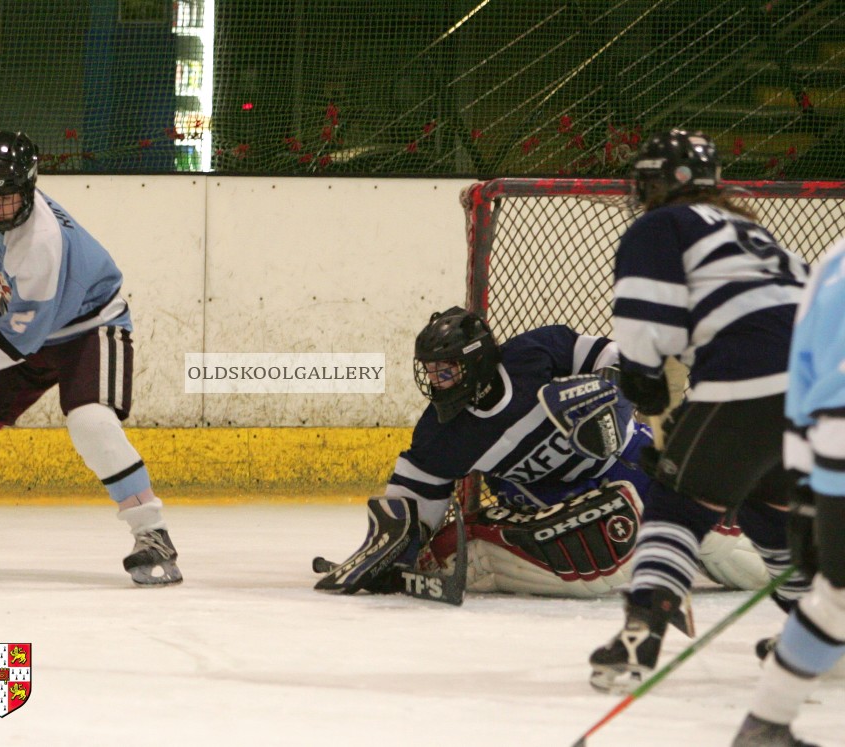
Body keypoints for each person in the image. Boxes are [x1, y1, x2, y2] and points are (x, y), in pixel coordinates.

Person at [0, 129, 182, 587]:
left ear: (29, 188)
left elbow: (21, 337)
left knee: (91, 422)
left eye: (7, 199)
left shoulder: (40, 243)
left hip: (90, 327)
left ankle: (152, 535)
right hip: (24, 326)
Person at [316, 306, 767, 599]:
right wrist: (393, 552)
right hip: (558, 509)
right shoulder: (440, 434)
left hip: (642, 469)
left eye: (446, 371)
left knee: (741, 561)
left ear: (474, 362)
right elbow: (413, 503)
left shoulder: (535, 352)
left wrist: (607, 393)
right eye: (431, 372)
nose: (437, 382)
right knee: (459, 555)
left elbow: (617, 357)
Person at [588, 129, 813, 691]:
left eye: (647, 179)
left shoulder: (662, 225)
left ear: (669, 181)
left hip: (750, 377)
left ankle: (642, 634)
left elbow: (647, 322)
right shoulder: (752, 229)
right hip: (823, 388)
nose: (640, 191)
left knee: (676, 502)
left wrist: (643, 380)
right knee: (769, 504)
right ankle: (819, 635)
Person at [731, 235, 845, 747]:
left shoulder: (835, 258)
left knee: (838, 597)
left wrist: (801, 480)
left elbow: (803, 370)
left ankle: (766, 725)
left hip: (826, 448)